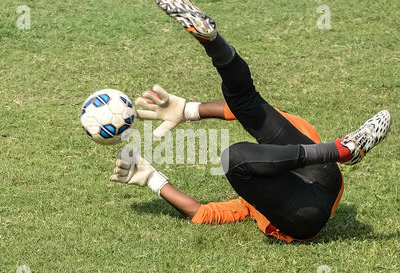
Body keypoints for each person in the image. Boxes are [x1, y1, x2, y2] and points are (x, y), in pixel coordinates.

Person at [110, 0, 391, 243]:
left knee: (234, 157)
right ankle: (213, 42)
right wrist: (153, 174)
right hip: (326, 171)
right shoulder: (294, 140)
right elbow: (244, 108)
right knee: (247, 105)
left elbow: (202, 212)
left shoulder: (257, 195)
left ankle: (342, 150)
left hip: (304, 216)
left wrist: (157, 177)